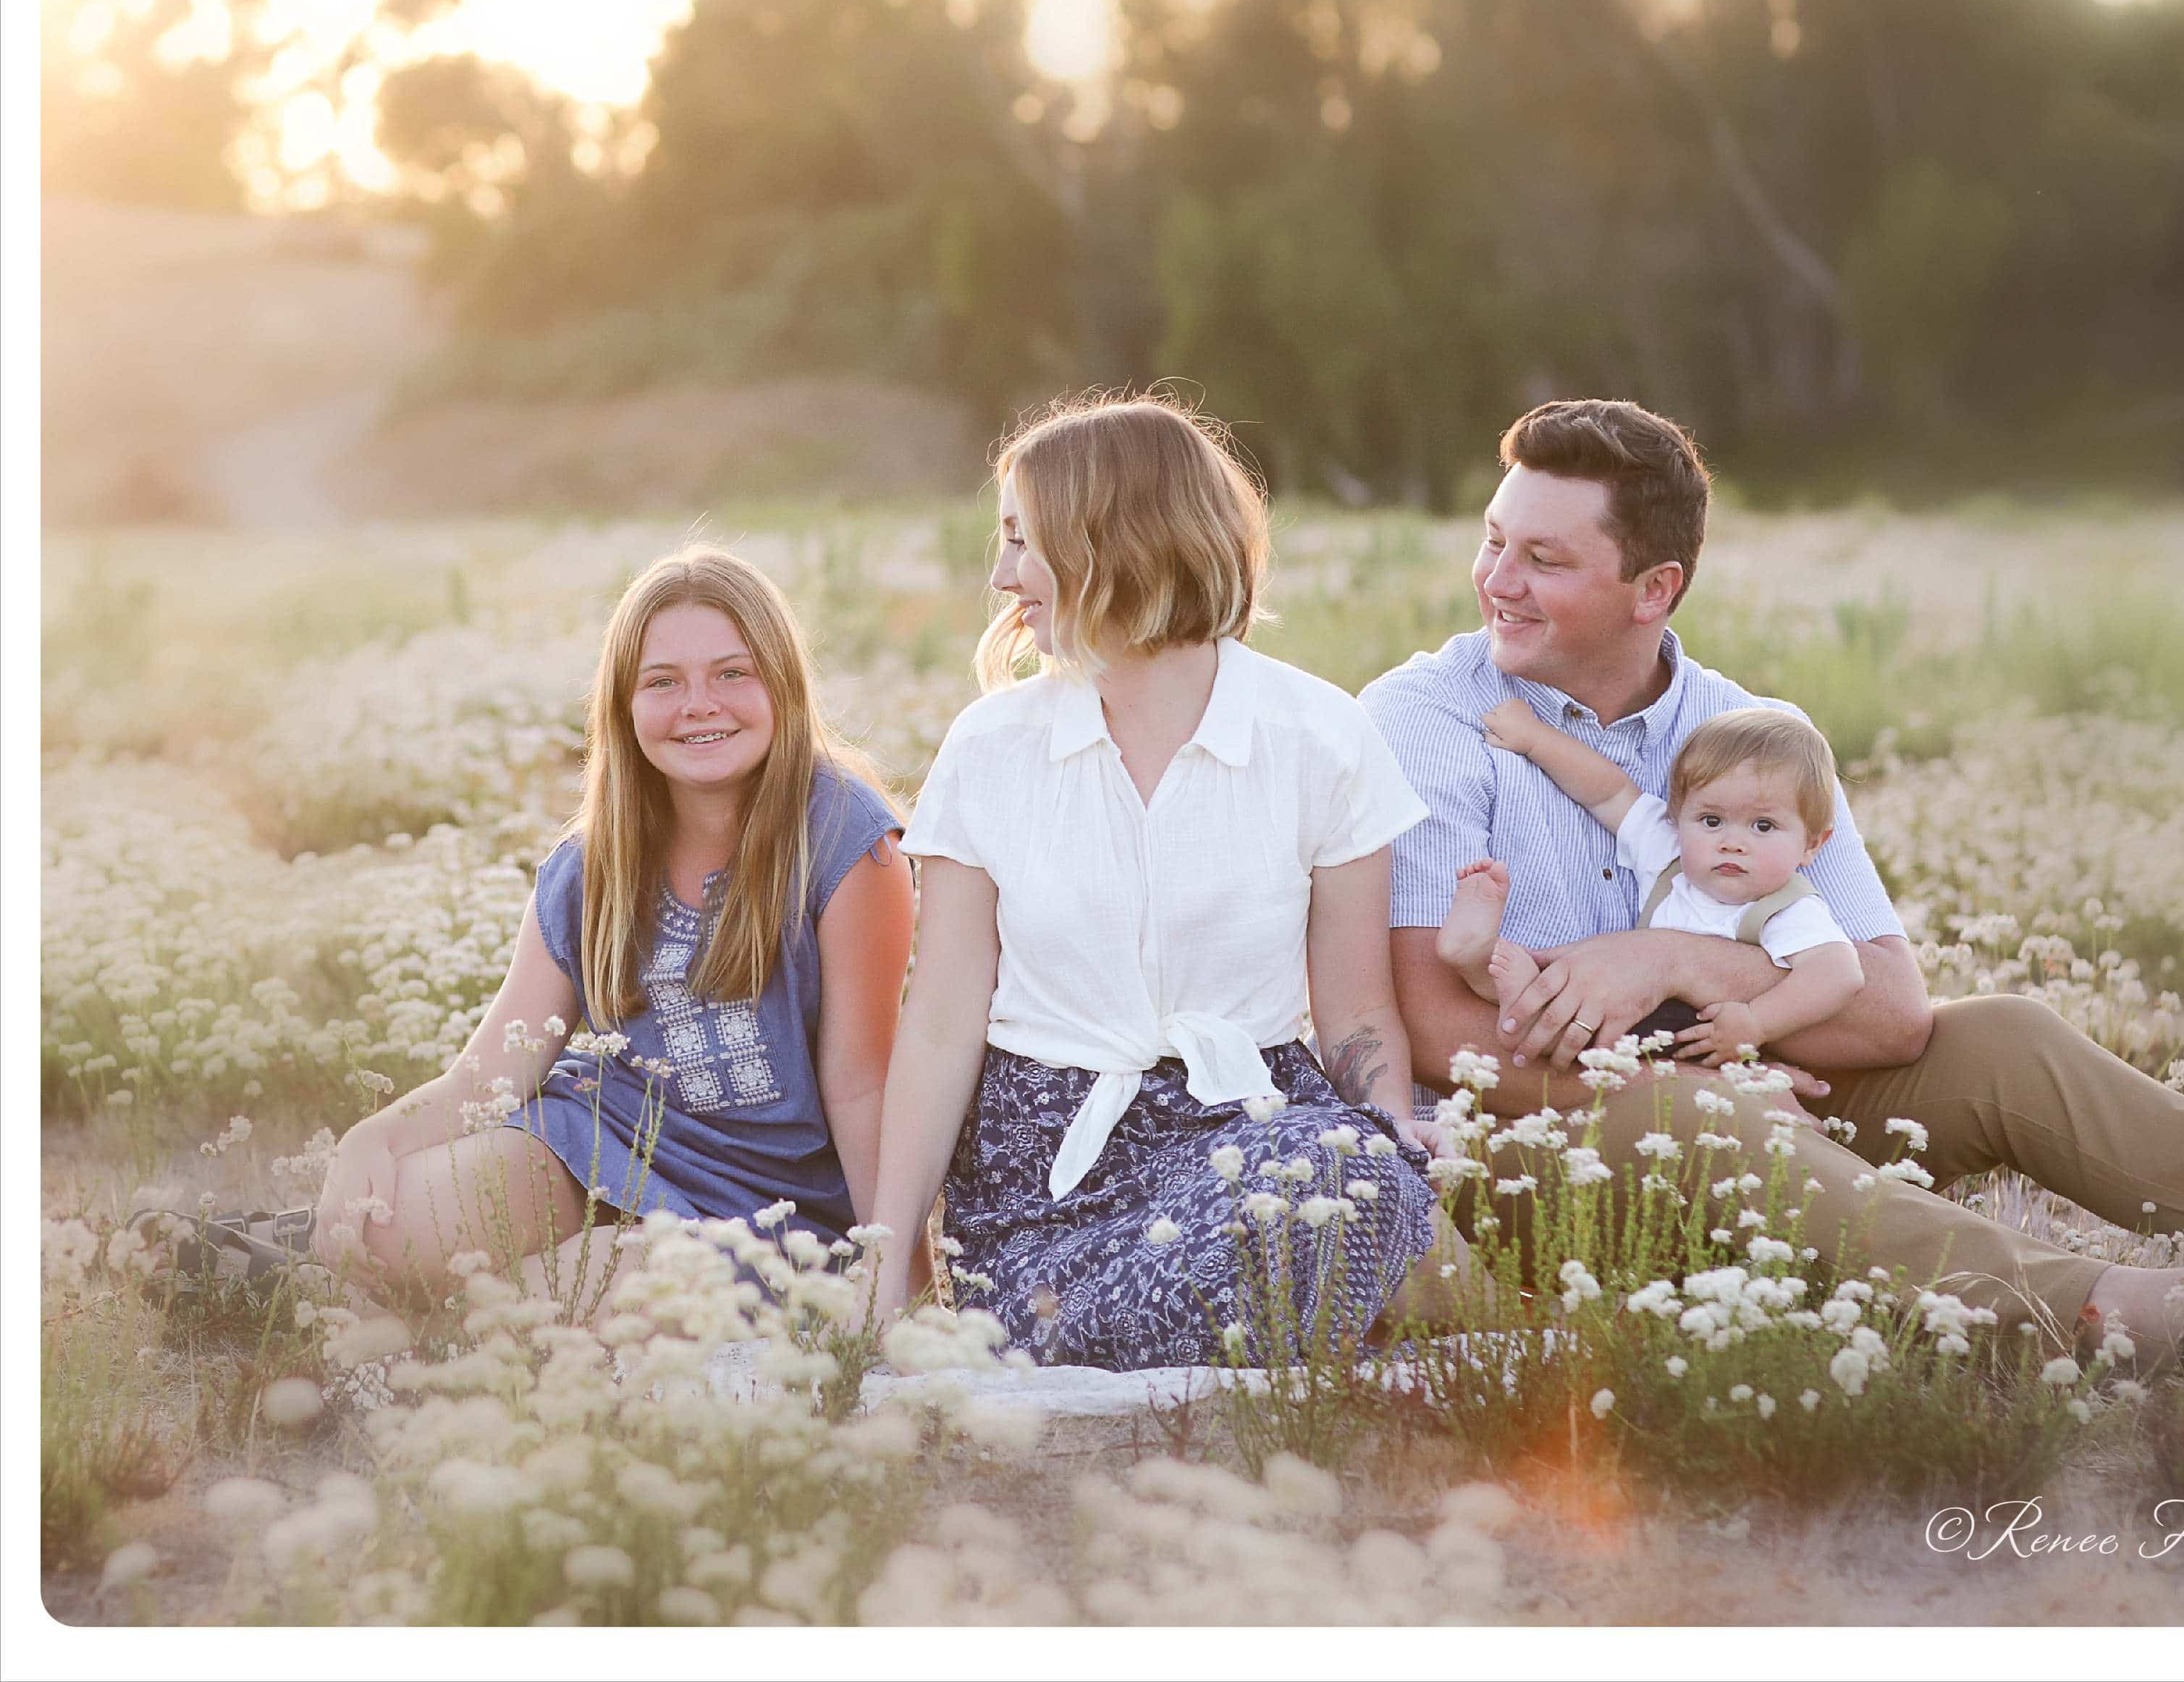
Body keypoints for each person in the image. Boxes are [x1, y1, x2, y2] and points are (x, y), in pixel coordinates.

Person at [1361, 399, 2184, 1369]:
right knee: (1703, 1120)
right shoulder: (1424, 717)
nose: (1498, 577)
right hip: (1533, 1152)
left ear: (1655, 587)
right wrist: (1684, 1084)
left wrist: (1674, 958)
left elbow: (1892, 1012)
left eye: (1543, 557)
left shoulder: (1750, 733)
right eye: (1496, 540)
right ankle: (2110, 1310)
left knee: (2005, 1037)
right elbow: (1432, 1018)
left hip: (1757, 1096)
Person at [861, 395, 1438, 1369]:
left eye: (1021, 540)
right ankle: (1158, 1334)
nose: (1001, 576)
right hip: (1040, 1160)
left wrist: (1398, 1144)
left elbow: (1356, 1012)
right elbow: (942, 1018)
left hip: (1249, 1125)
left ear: (1110, 539)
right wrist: (887, 1266)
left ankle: (1157, 1336)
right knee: (1164, 1280)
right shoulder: (991, 745)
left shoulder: (1320, 734)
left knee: (1360, 1180)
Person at [306, 546, 913, 1305]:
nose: (699, 703)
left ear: (783, 686)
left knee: (591, 1298)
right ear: (622, 707)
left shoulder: (845, 841)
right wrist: (377, 1137)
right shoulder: (593, 863)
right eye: (662, 682)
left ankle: (448, 1302)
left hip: (772, 1204)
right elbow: (493, 1072)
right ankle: (279, 1252)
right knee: (386, 1227)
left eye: (733, 673)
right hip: (596, 1144)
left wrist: (899, 1276)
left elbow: (863, 1087)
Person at [1441, 700, 1861, 1065]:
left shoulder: (1787, 908)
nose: (1733, 843)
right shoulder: (1669, 854)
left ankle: (1505, 982)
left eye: (1764, 826)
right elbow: (1607, 792)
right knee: (1566, 993)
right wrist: (1534, 739)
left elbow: (1839, 973)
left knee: (1575, 1029)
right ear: (1678, 820)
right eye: (1711, 821)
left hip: (1701, 1043)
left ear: (1812, 844)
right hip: (1624, 1013)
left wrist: (1758, 1021)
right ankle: (1480, 958)